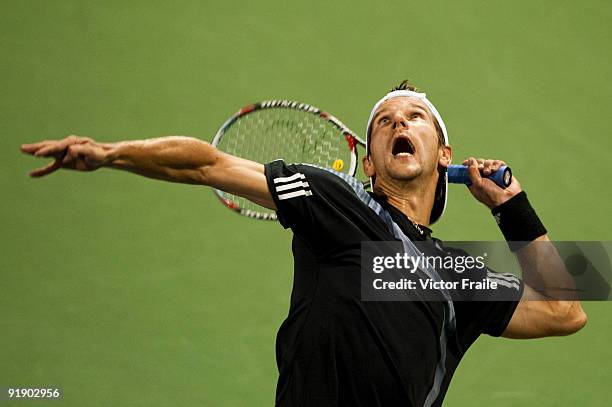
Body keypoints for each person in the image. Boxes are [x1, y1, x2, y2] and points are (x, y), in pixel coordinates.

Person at [21, 80, 587, 406]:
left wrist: (514, 207)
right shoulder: (334, 205)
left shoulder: (456, 272)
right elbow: (207, 164)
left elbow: (566, 309)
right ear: (369, 161)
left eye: (415, 117)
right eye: (384, 122)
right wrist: (111, 153)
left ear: (443, 152)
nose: (398, 124)